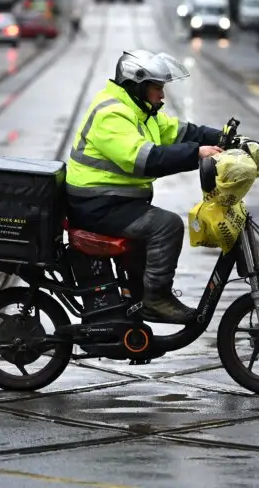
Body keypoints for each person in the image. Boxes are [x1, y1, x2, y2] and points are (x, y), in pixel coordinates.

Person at [65, 50, 225, 324]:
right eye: (157, 87)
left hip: (113, 200)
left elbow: (181, 131)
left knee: (155, 227)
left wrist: (225, 137)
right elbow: (145, 159)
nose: (161, 95)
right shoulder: (113, 113)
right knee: (167, 225)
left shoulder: (140, 110)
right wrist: (197, 154)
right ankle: (156, 300)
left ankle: (137, 295)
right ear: (137, 85)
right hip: (97, 204)